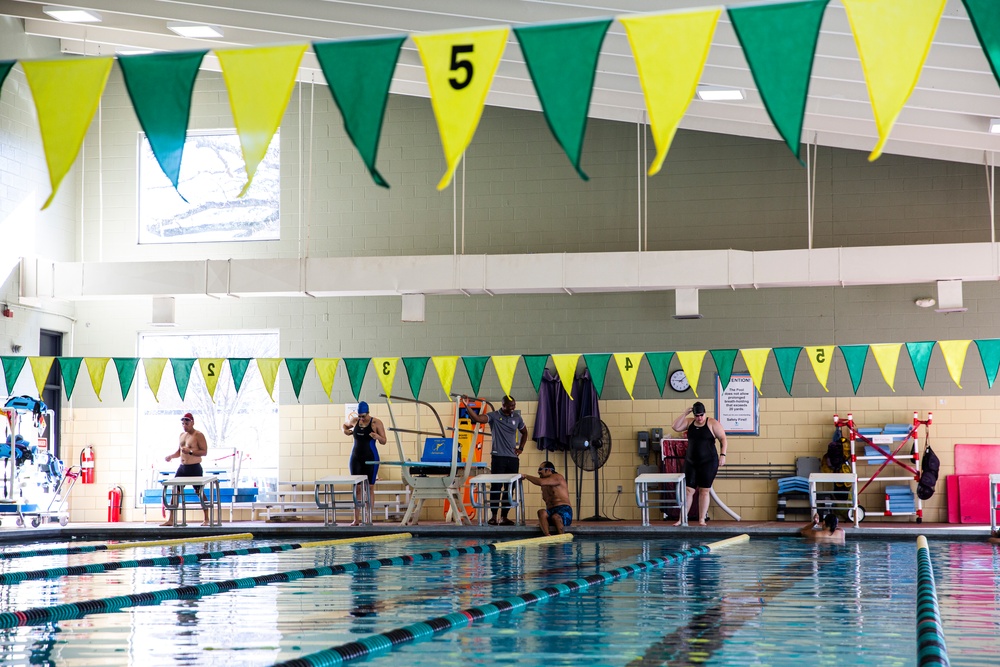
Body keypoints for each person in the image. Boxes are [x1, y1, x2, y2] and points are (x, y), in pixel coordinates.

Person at [466, 395, 528, 526]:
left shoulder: (517, 418)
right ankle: (494, 517)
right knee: (496, 487)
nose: (513, 408)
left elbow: (525, 432)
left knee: (509, 488)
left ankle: (504, 517)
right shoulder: (493, 416)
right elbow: (477, 419)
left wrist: (521, 448)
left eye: (514, 406)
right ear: (503, 405)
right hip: (498, 457)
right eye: (511, 406)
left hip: (512, 458)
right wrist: (467, 406)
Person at [671, 401, 728, 527]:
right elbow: (675, 427)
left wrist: (723, 455)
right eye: (697, 415)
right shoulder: (689, 422)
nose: (699, 418)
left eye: (701, 415)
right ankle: (682, 519)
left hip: (708, 462)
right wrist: (684, 414)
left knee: (704, 491)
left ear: (705, 413)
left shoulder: (712, 423)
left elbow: (723, 438)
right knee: (688, 491)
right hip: (691, 462)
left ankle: (701, 519)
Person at [342, 401, 387, 526]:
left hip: (371, 457)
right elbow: (344, 426)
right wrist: (345, 431)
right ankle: (356, 519)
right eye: (359, 416)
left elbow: (384, 441)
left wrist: (377, 436)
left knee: (370, 488)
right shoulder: (355, 420)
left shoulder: (376, 422)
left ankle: (368, 518)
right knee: (357, 488)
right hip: (356, 458)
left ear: (368, 413)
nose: (361, 419)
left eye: (363, 416)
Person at [162, 412, 210, 527]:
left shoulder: (198, 435)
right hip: (182, 468)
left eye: (187, 423)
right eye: (183, 423)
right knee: (175, 492)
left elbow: (204, 452)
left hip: (194, 468)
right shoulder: (181, 435)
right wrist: (171, 456)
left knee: (199, 492)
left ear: (192, 422)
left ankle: (207, 518)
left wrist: (191, 451)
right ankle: (171, 519)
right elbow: (179, 452)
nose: (185, 425)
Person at [522, 461, 572, 535]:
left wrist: (526, 476)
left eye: (540, 469)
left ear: (549, 470)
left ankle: (562, 537)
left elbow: (540, 482)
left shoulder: (557, 477)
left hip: (563, 510)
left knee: (556, 517)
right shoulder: (545, 485)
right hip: (551, 511)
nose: (538, 471)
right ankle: (547, 536)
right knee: (541, 512)